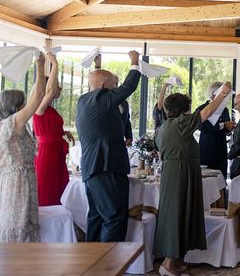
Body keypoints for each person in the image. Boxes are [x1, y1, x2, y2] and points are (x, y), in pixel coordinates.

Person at [154, 83, 231, 276]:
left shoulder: (166, 125)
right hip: (180, 173)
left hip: (177, 171)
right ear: (184, 109)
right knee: (177, 215)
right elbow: (205, 113)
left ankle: (174, 260)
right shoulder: (180, 123)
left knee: (180, 213)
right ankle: (169, 264)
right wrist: (223, 94)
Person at [76, 50, 141, 243]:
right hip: (105, 165)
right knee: (114, 217)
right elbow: (129, 86)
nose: (117, 88)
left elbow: (98, 82)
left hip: (94, 167)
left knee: (96, 215)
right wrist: (135, 62)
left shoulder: (84, 101)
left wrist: (98, 65)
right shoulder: (103, 98)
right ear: (104, 87)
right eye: (114, 85)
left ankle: (91, 260)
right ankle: (109, 266)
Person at [0, 52, 48, 242]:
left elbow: (38, 93)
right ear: (17, 106)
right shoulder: (14, 123)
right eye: (23, 104)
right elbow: (39, 96)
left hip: (13, 180)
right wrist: (40, 64)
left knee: (16, 224)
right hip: (18, 183)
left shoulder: (6, 125)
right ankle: (17, 265)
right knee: (19, 225)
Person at [33, 59, 75, 206]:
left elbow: (48, 128)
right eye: (57, 86)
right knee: (48, 187)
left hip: (55, 151)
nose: (59, 89)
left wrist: (63, 132)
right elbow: (50, 91)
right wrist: (54, 65)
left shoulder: (49, 109)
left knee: (58, 185)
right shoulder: (39, 107)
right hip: (48, 153)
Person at [195, 82, 235, 178]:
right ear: (214, 95)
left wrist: (230, 128)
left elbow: (226, 129)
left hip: (221, 150)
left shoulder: (225, 110)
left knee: (222, 179)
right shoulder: (202, 109)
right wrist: (223, 125)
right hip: (207, 149)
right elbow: (201, 127)